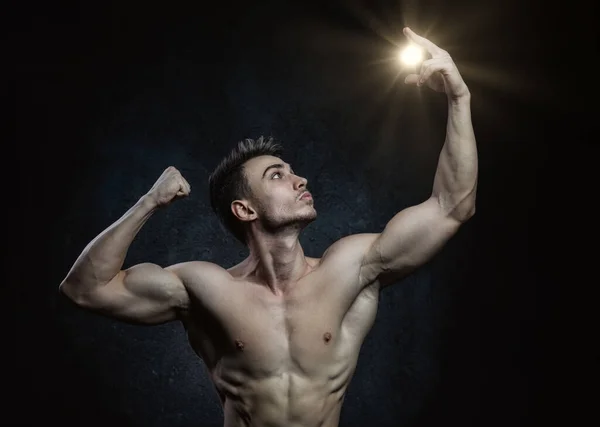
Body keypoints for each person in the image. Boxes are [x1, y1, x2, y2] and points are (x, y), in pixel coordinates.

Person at [59, 27, 477, 427]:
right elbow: (86, 289)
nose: (300, 180)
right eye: (276, 175)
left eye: (293, 172)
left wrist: (459, 96)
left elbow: (451, 207)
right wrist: (149, 203)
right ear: (245, 210)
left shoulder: (353, 267)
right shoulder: (206, 289)